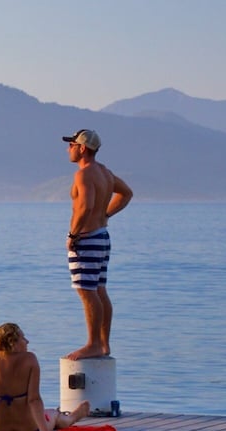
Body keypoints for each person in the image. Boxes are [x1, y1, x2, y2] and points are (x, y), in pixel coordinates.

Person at [60, 129, 132, 361]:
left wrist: (73, 235)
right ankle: (103, 344)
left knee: (87, 292)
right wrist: (106, 215)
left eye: (71, 144)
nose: (68, 149)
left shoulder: (84, 175)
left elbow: (86, 206)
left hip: (87, 238)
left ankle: (92, 344)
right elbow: (126, 193)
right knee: (99, 290)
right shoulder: (105, 172)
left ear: (82, 148)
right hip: (101, 236)